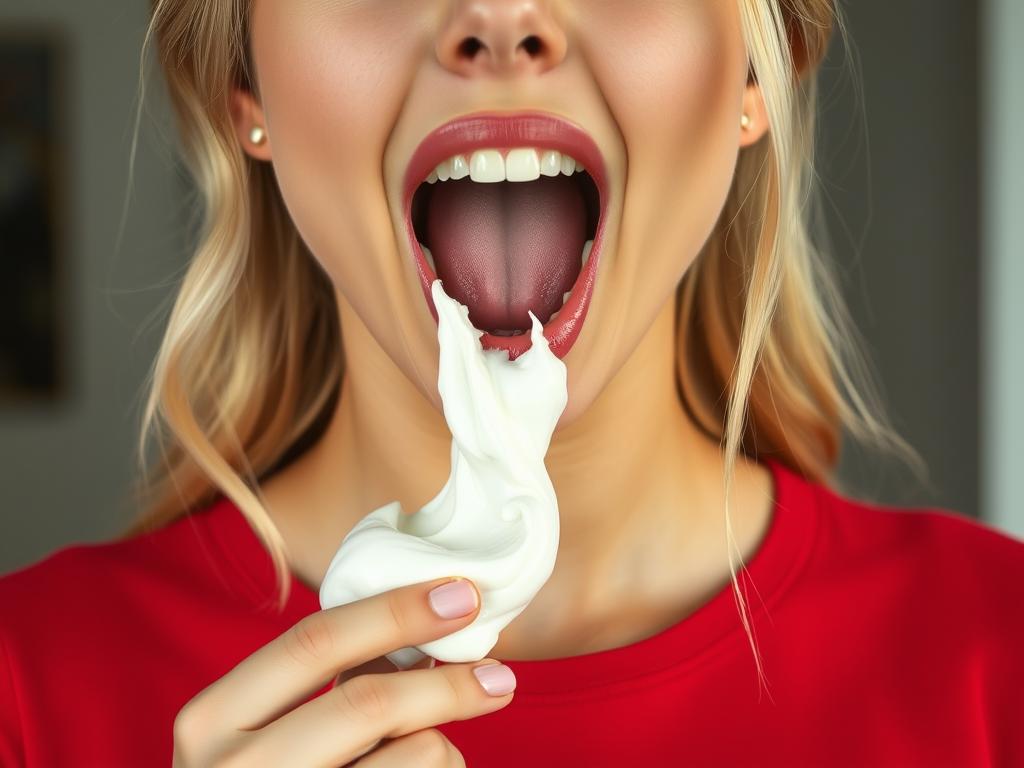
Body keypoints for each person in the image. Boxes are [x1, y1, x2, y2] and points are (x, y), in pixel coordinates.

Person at [2, 0, 1022, 765]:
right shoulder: (27, 699)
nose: (498, 19)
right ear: (247, 89)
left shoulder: (998, 667)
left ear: (755, 72)